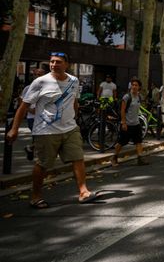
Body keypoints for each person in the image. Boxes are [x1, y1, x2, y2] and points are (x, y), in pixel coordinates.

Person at [6, 52, 98, 208]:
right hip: (46, 131)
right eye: (52, 62)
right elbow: (23, 107)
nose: (54, 64)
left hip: (70, 129)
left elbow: (73, 101)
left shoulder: (74, 81)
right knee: (43, 164)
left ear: (66, 65)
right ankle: (35, 197)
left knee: (78, 158)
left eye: (58, 62)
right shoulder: (40, 82)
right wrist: (14, 129)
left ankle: (83, 192)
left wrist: (74, 119)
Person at [111, 78, 149, 166]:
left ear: (139, 87)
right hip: (127, 124)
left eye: (136, 85)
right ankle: (114, 157)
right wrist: (123, 123)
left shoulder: (139, 97)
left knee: (139, 141)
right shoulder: (127, 97)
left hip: (136, 124)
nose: (134, 86)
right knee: (121, 142)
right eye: (133, 85)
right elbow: (122, 110)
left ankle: (140, 159)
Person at [20, 67, 47, 160]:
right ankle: (36, 153)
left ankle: (31, 150)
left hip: (45, 117)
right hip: (32, 117)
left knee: (41, 137)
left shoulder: (48, 88)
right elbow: (22, 102)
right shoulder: (28, 88)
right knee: (40, 137)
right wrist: (29, 110)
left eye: (40, 74)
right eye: (35, 74)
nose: (37, 76)